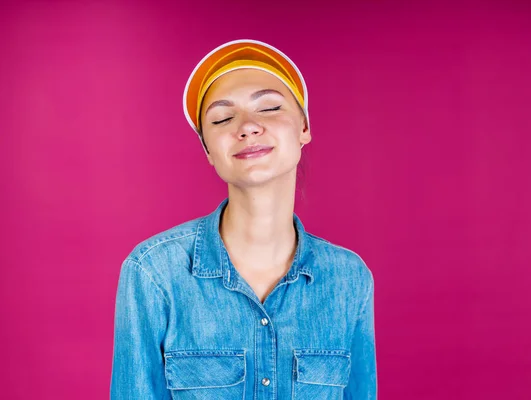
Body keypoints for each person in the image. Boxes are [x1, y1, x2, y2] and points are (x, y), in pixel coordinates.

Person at [110, 39, 377, 399]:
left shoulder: (349, 278)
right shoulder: (154, 273)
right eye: (222, 118)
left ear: (303, 129)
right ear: (208, 150)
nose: (248, 127)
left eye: (268, 108)